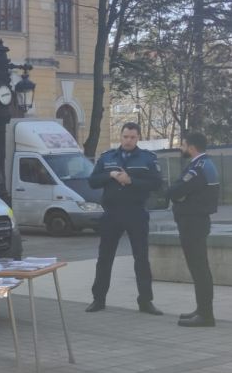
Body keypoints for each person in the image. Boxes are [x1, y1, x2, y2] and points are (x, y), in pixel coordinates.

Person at [86, 122, 164, 315]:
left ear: (138, 138)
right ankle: (98, 299)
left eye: (132, 137)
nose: (128, 140)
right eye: (125, 137)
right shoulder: (107, 157)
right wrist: (110, 175)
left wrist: (131, 181)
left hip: (136, 212)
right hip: (112, 213)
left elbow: (156, 184)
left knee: (141, 258)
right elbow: (92, 181)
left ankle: (145, 301)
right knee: (104, 258)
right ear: (120, 137)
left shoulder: (147, 158)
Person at [166, 131, 219, 328]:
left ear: (191, 147)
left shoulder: (198, 168)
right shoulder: (205, 164)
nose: (181, 148)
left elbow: (176, 190)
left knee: (199, 269)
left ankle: (206, 315)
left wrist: (175, 194)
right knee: (199, 268)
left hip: (193, 223)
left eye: (183, 145)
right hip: (196, 221)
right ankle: (202, 309)